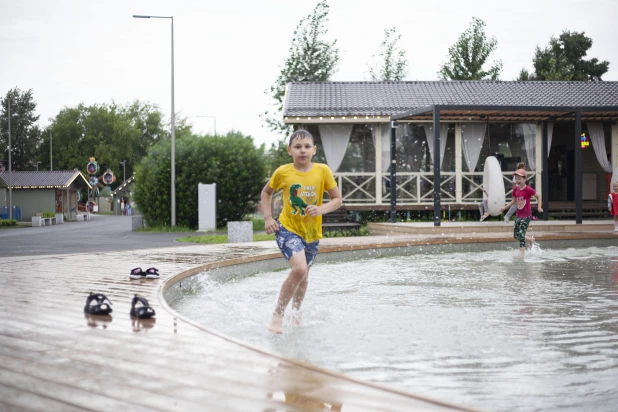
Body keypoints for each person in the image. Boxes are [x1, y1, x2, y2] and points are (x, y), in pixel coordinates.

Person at [261, 129, 342, 334]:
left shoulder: (322, 171)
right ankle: (277, 315)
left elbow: (337, 199)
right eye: (297, 147)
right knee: (299, 269)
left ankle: (296, 314)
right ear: (290, 150)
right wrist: (269, 218)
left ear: (314, 150)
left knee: (304, 277)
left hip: (312, 234)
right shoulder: (283, 172)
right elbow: (266, 192)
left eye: (307, 147)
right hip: (287, 229)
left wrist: (321, 209)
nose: (302, 151)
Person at [499, 168, 543, 254]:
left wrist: (539, 207)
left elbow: (538, 196)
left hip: (526, 215)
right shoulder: (516, 189)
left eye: (519, 178)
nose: (517, 180)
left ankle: (521, 254)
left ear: (525, 179)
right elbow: (514, 201)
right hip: (518, 215)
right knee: (516, 235)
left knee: (522, 235)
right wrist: (504, 208)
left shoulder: (528, 189)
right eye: (516, 178)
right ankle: (530, 239)